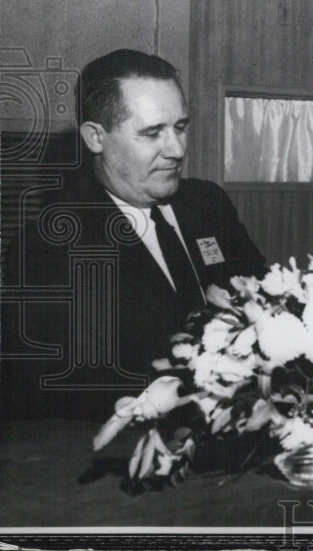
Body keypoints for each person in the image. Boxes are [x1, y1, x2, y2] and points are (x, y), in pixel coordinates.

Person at [1, 49, 267, 421]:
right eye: (152, 132)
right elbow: (58, 390)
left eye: (180, 127)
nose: (176, 149)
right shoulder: (49, 245)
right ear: (96, 137)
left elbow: (265, 303)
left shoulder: (209, 204)